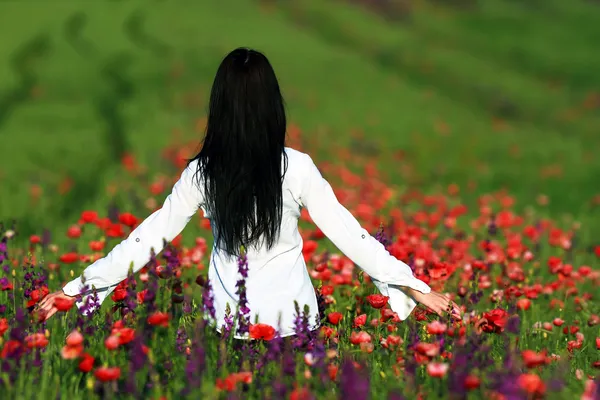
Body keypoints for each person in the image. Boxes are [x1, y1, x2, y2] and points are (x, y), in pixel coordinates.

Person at [38, 48, 460, 338]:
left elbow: (147, 238)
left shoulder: (203, 173)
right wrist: (413, 286)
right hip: (296, 328)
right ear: (272, 104)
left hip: (228, 328)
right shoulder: (294, 167)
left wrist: (78, 288)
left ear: (218, 106)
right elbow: (350, 235)